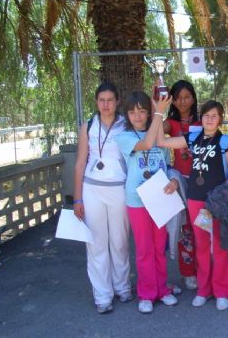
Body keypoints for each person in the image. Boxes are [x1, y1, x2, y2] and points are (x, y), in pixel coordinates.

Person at [154, 98, 228, 311]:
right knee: (201, 247)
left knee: (219, 248)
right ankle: (204, 289)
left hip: (217, 201)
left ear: (220, 119)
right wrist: (158, 113)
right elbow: (162, 142)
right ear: (200, 118)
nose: (209, 119)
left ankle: (222, 291)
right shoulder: (193, 137)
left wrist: (221, 194)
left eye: (214, 116)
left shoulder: (225, 142)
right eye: (206, 115)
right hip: (195, 199)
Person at [114, 91, 179, 314]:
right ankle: (147, 293)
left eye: (142, 111)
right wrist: (158, 112)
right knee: (144, 249)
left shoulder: (157, 129)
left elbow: (164, 161)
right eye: (132, 112)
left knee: (159, 248)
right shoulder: (124, 137)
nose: (137, 116)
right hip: (137, 200)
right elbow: (147, 142)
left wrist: (173, 180)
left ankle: (162, 290)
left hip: (160, 196)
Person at [73, 82, 131, 314]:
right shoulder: (88, 126)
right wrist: (77, 199)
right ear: (96, 102)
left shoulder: (126, 125)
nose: (106, 105)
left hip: (119, 188)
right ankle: (102, 295)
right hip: (92, 189)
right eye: (101, 100)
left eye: (110, 100)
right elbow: (80, 163)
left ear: (117, 102)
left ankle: (122, 286)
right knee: (96, 243)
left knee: (120, 241)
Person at [163, 80, 201, 290]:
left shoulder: (203, 120)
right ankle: (188, 273)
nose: (183, 101)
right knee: (185, 229)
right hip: (181, 183)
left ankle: (203, 267)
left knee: (202, 227)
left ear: (193, 98)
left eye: (187, 97)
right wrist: (158, 103)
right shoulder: (171, 123)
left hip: (202, 181)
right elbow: (157, 130)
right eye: (177, 98)